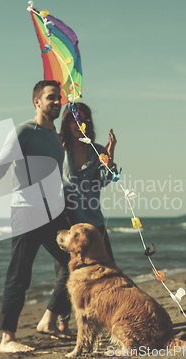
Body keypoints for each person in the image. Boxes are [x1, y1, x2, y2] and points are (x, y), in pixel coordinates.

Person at [0, 80, 71, 353]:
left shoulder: (58, 139)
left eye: (59, 98)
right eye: (51, 97)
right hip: (27, 211)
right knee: (19, 275)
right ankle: (7, 339)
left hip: (54, 214)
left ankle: (48, 319)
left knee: (75, 264)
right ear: (37, 102)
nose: (57, 102)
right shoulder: (24, 131)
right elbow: (1, 162)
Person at [54, 102, 118, 332]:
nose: (77, 123)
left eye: (82, 119)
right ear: (66, 122)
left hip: (93, 220)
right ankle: (62, 321)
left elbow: (104, 180)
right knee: (67, 272)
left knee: (106, 268)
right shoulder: (59, 147)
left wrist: (109, 157)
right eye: (73, 119)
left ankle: (105, 314)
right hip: (68, 219)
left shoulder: (97, 149)